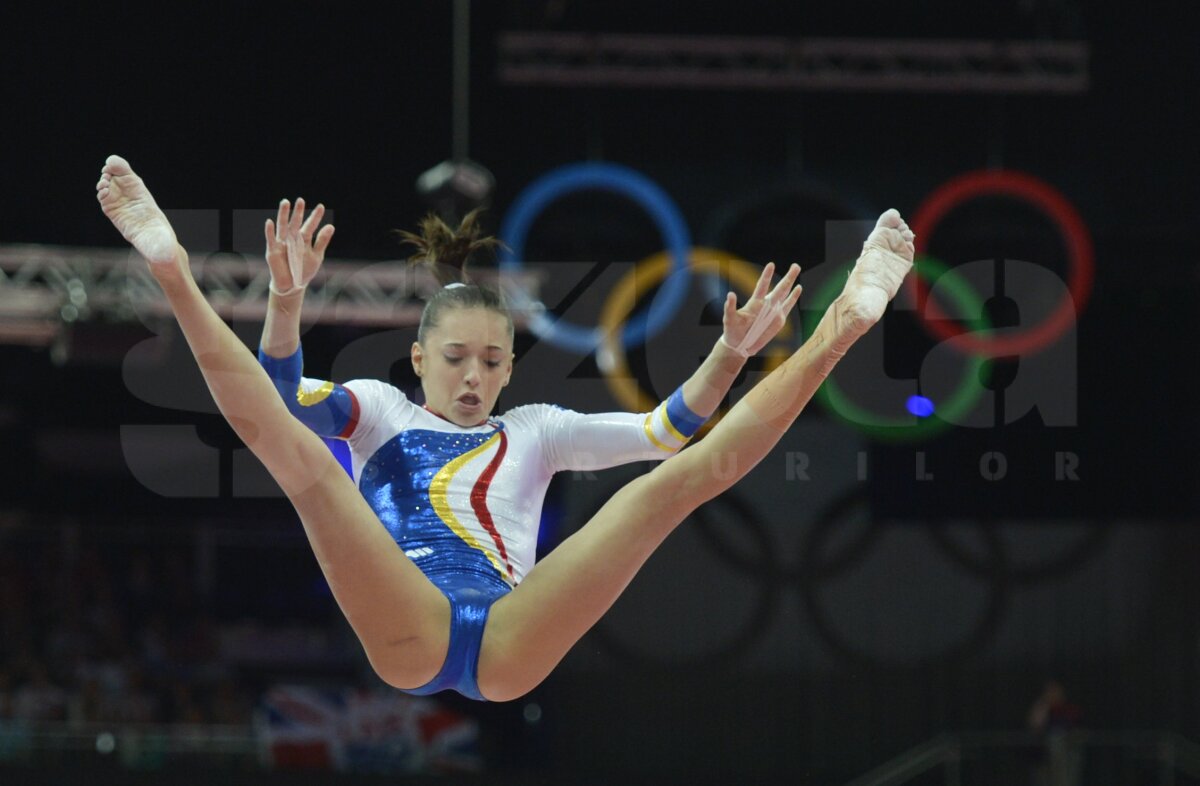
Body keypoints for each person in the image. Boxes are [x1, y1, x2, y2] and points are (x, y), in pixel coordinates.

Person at [96, 154, 914, 702]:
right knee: (299, 462)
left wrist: (731, 356)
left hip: (510, 639)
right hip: (408, 622)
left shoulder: (538, 429)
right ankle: (172, 266)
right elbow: (274, 403)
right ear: (416, 360)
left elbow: (673, 434)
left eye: (492, 361)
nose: (474, 377)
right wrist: (283, 304)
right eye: (455, 359)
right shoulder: (380, 412)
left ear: (512, 370)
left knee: (668, 492)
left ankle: (840, 326)